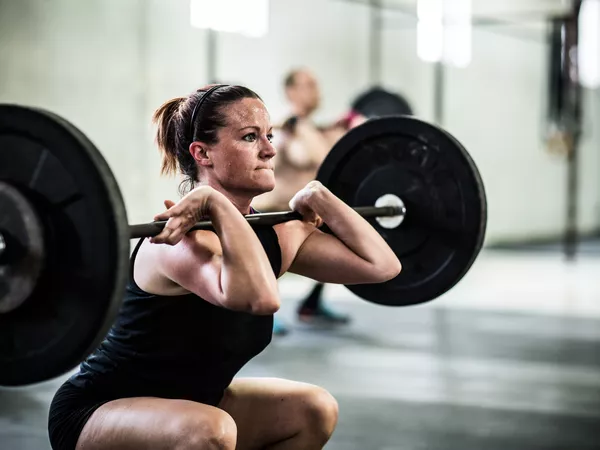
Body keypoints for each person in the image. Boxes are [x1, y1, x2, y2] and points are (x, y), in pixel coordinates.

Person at [47, 84, 401, 450]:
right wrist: (215, 203)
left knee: (313, 409)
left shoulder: (277, 232)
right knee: (211, 430)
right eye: (250, 137)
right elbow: (260, 298)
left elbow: (381, 266)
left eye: (269, 135)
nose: (270, 149)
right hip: (101, 410)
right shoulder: (179, 241)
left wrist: (320, 195)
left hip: (195, 403)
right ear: (202, 153)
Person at [253, 68, 366, 335]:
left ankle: (312, 304)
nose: (316, 91)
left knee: (340, 239)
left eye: (316, 85)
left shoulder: (309, 125)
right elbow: (320, 157)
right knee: (268, 259)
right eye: (308, 85)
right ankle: (263, 315)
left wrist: (350, 125)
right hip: (271, 213)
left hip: (301, 213)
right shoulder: (280, 124)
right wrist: (306, 128)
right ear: (291, 91)